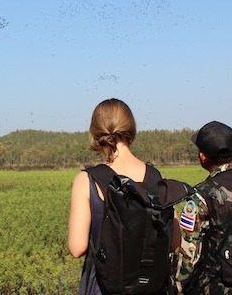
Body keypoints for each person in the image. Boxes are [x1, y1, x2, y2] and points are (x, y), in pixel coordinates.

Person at [67, 98, 168, 294]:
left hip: (104, 287)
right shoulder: (155, 176)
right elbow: (173, 242)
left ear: (95, 133)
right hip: (152, 287)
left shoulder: (86, 180)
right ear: (132, 130)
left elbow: (76, 248)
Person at [172, 121, 232, 294]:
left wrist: (176, 287)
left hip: (213, 288)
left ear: (202, 157)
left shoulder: (200, 197)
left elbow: (188, 255)